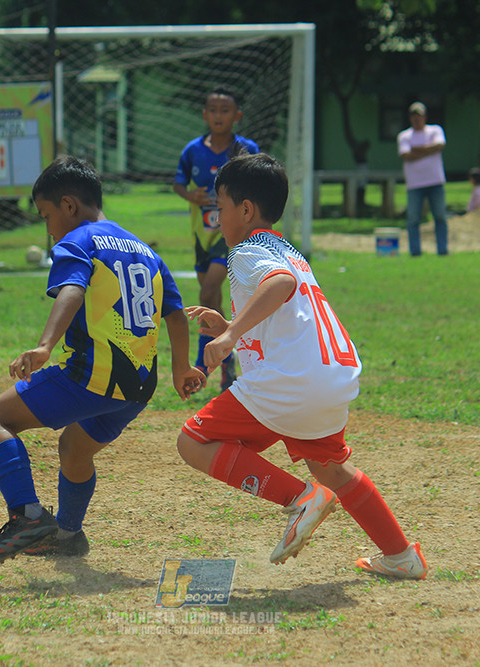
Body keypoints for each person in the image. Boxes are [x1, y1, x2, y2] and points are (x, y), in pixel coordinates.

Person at [176, 153, 427, 579]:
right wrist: (233, 326)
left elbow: (280, 285)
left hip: (295, 383)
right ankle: (402, 555)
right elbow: (289, 314)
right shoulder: (287, 250)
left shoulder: (247, 251)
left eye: (220, 206)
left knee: (194, 441)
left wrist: (231, 334)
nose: (217, 216)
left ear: (247, 210)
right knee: (332, 467)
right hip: (332, 375)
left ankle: (301, 499)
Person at [0, 156, 205, 565]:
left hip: (91, 376)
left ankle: (27, 515)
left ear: (68, 206)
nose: (47, 228)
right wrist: (182, 367)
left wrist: (45, 346)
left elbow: (73, 289)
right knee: (74, 449)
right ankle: (68, 534)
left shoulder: (79, 240)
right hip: (137, 387)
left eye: (46, 216)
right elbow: (174, 311)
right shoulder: (145, 250)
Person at [173, 86, 260, 390]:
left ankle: (203, 365)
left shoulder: (246, 147)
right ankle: (227, 358)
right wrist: (190, 195)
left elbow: (258, 182)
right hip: (203, 234)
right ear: (204, 114)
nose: (218, 115)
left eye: (225, 110)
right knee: (211, 299)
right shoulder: (193, 150)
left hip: (232, 234)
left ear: (236, 116)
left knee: (209, 290)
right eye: (213, 109)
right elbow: (178, 183)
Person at [398, 101, 448, 256]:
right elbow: (406, 155)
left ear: (425, 117)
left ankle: (442, 250)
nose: (416, 119)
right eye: (413, 116)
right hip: (414, 184)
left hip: (435, 181)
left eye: (419, 116)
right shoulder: (404, 136)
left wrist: (417, 150)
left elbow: (440, 146)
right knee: (413, 219)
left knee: (439, 216)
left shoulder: (435, 130)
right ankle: (415, 251)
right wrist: (429, 149)